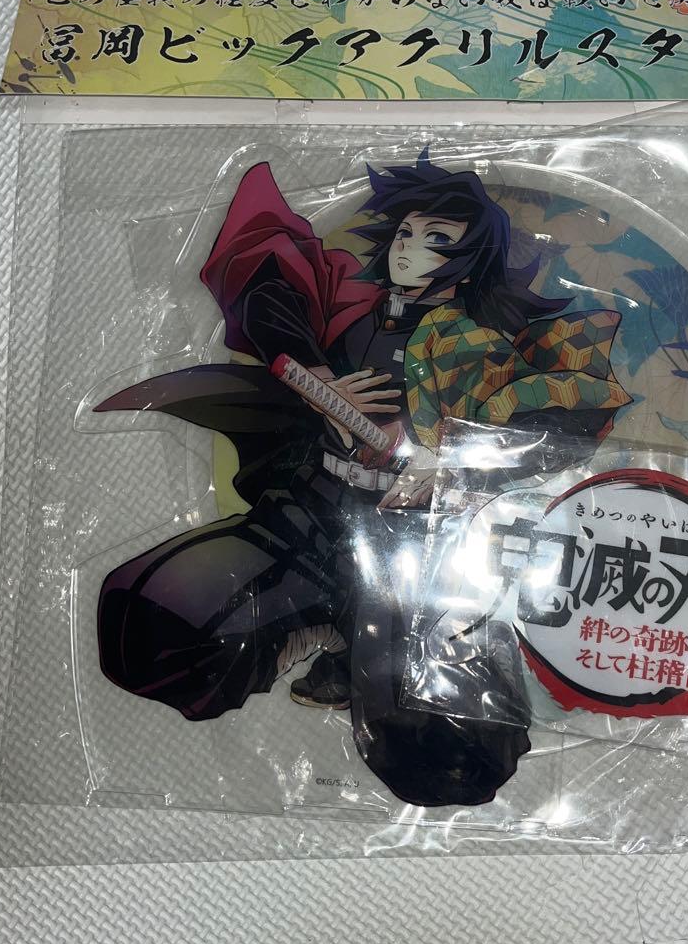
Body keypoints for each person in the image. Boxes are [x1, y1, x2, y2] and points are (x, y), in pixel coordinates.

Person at [95, 150, 631, 806]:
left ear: (469, 263)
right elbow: (266, 277)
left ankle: (354, 652)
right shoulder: (348, 310)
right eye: (406, 231)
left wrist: (454, 457)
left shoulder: (475, 344)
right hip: (310, 523)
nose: (409, 247)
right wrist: (313, 372)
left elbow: (562, 408)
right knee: (149, 620)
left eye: (436, 240)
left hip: (416, 565)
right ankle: (326, 635)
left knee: (443, 744)